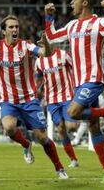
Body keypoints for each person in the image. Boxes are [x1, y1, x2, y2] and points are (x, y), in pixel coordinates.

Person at [0, 15, 68, 179]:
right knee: (9, 128)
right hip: (7, 99)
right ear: (3, 31)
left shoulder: (26, 46)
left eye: (16, 26)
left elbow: (45, 53)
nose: (15, 29)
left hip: (29, 99)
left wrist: (45, 43)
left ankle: (59, 167)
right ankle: (26, 144)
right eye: (11, 27)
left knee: (42, 137)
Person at [44, 0, 104, 183]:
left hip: (94, 79)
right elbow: (52, 37)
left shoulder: (99, 23)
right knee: (93, 126)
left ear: (85, 3)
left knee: (72, 112)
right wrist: (49, 17)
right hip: (79, 84)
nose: (71, 3)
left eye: (75, 0)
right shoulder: (72, 26)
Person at [35, 33, 80, 168]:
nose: (44, 46)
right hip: (51, 100)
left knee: (71, 127)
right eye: (42, 44)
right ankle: (73, 159)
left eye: (46, 43)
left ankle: (84, 115)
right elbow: (39, 78)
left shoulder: (63, 55)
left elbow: (76, 69)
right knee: (60, 129)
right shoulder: (39, 61)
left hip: (67, 96)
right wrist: (36, 89)